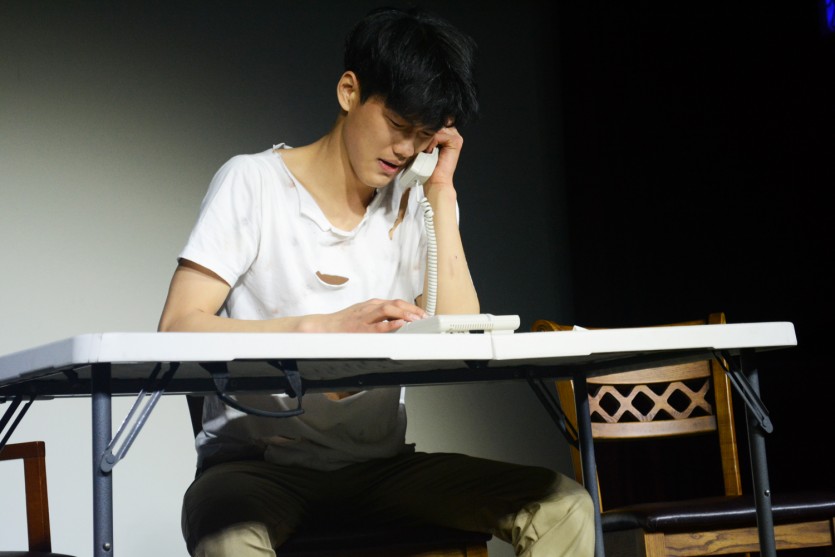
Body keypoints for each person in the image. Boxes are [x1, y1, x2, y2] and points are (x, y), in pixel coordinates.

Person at [158, 6, 594, 557]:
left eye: (424, 135)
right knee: (228, 536)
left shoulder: (418, 204)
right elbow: (178, 327)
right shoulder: (253, 183)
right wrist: (318, 330)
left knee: (562, 506)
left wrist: (441, 194)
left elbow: (462, 336)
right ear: (349, 92)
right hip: (259, 469)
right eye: (398, 125)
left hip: (380, 468)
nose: (406, 150)